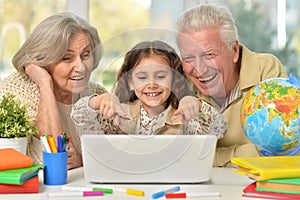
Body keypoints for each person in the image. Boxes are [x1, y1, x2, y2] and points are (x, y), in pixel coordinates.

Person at [175, 4, 288, 167]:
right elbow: (176, 153)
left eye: (209, 55)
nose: (199, 68)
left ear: (234, 50)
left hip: (255, 187)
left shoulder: (266, 70)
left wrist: (214, 158)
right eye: (188, 58)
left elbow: (277, 149)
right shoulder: (180, 82)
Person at [0, 12, 107, 169]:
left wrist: (82, 159)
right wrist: (45, 84)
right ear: (42, 61)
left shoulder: (96, 94)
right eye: (66, 58)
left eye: (85, 55)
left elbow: (116, 155)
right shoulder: (14, 93)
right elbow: (55, 159)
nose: (81, 67)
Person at [71, 40, 227, 137]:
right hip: (128, 184)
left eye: (160, 76)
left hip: (172, 183)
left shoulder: (184, 116)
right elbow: (79, 118)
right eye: (142, 77)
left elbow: (219, 130)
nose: (151, 84)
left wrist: (198, 106)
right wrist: (98, 101)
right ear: (131, 82)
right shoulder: (119, 114)